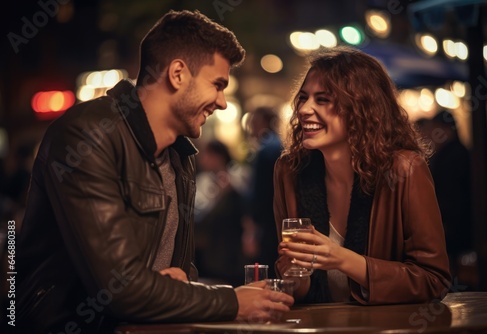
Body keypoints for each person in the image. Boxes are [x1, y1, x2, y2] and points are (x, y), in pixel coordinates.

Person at [16, 9, 292, 334]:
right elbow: (121, 289)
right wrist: (233, 301)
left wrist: (174, 284)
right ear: (177, 74)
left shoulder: (181, 154)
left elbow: (180, 273)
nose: (222, 102)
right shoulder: (88, 135)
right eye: (217, 85)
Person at [273, 46, 451, 305]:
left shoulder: (404, 170)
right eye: (303, 98)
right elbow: (299, 289)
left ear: (360, 109)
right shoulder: (290, 171)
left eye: (322, 99)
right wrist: (294, 275)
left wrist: (341, 258)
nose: (304, 109)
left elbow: (434, 280)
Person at [420, 111, 473, 278]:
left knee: (451, 269)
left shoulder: (452, 156)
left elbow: (451, 196)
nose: (430, 135)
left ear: (446, 130)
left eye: (434, 130)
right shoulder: (455, 153)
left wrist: (443, 223)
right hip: (454, 223)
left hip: (453, 224)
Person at [194, 139, 246, 286]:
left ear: (219, 156)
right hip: (211, 245)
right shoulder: (203, 181)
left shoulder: (238, 174)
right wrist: (218, 195)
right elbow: (198, 214)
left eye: (207, 155)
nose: (203, 159)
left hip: (235, 244)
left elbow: (249, 205)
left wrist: (231, 188)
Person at [244, 106, 283, 275]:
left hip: (267, 224)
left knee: (265, 270)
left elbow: (259, 194)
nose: (250, 125)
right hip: (278, 219)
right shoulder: (278, 144)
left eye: (254, 120)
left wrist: (251, 229)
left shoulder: (266, 149)